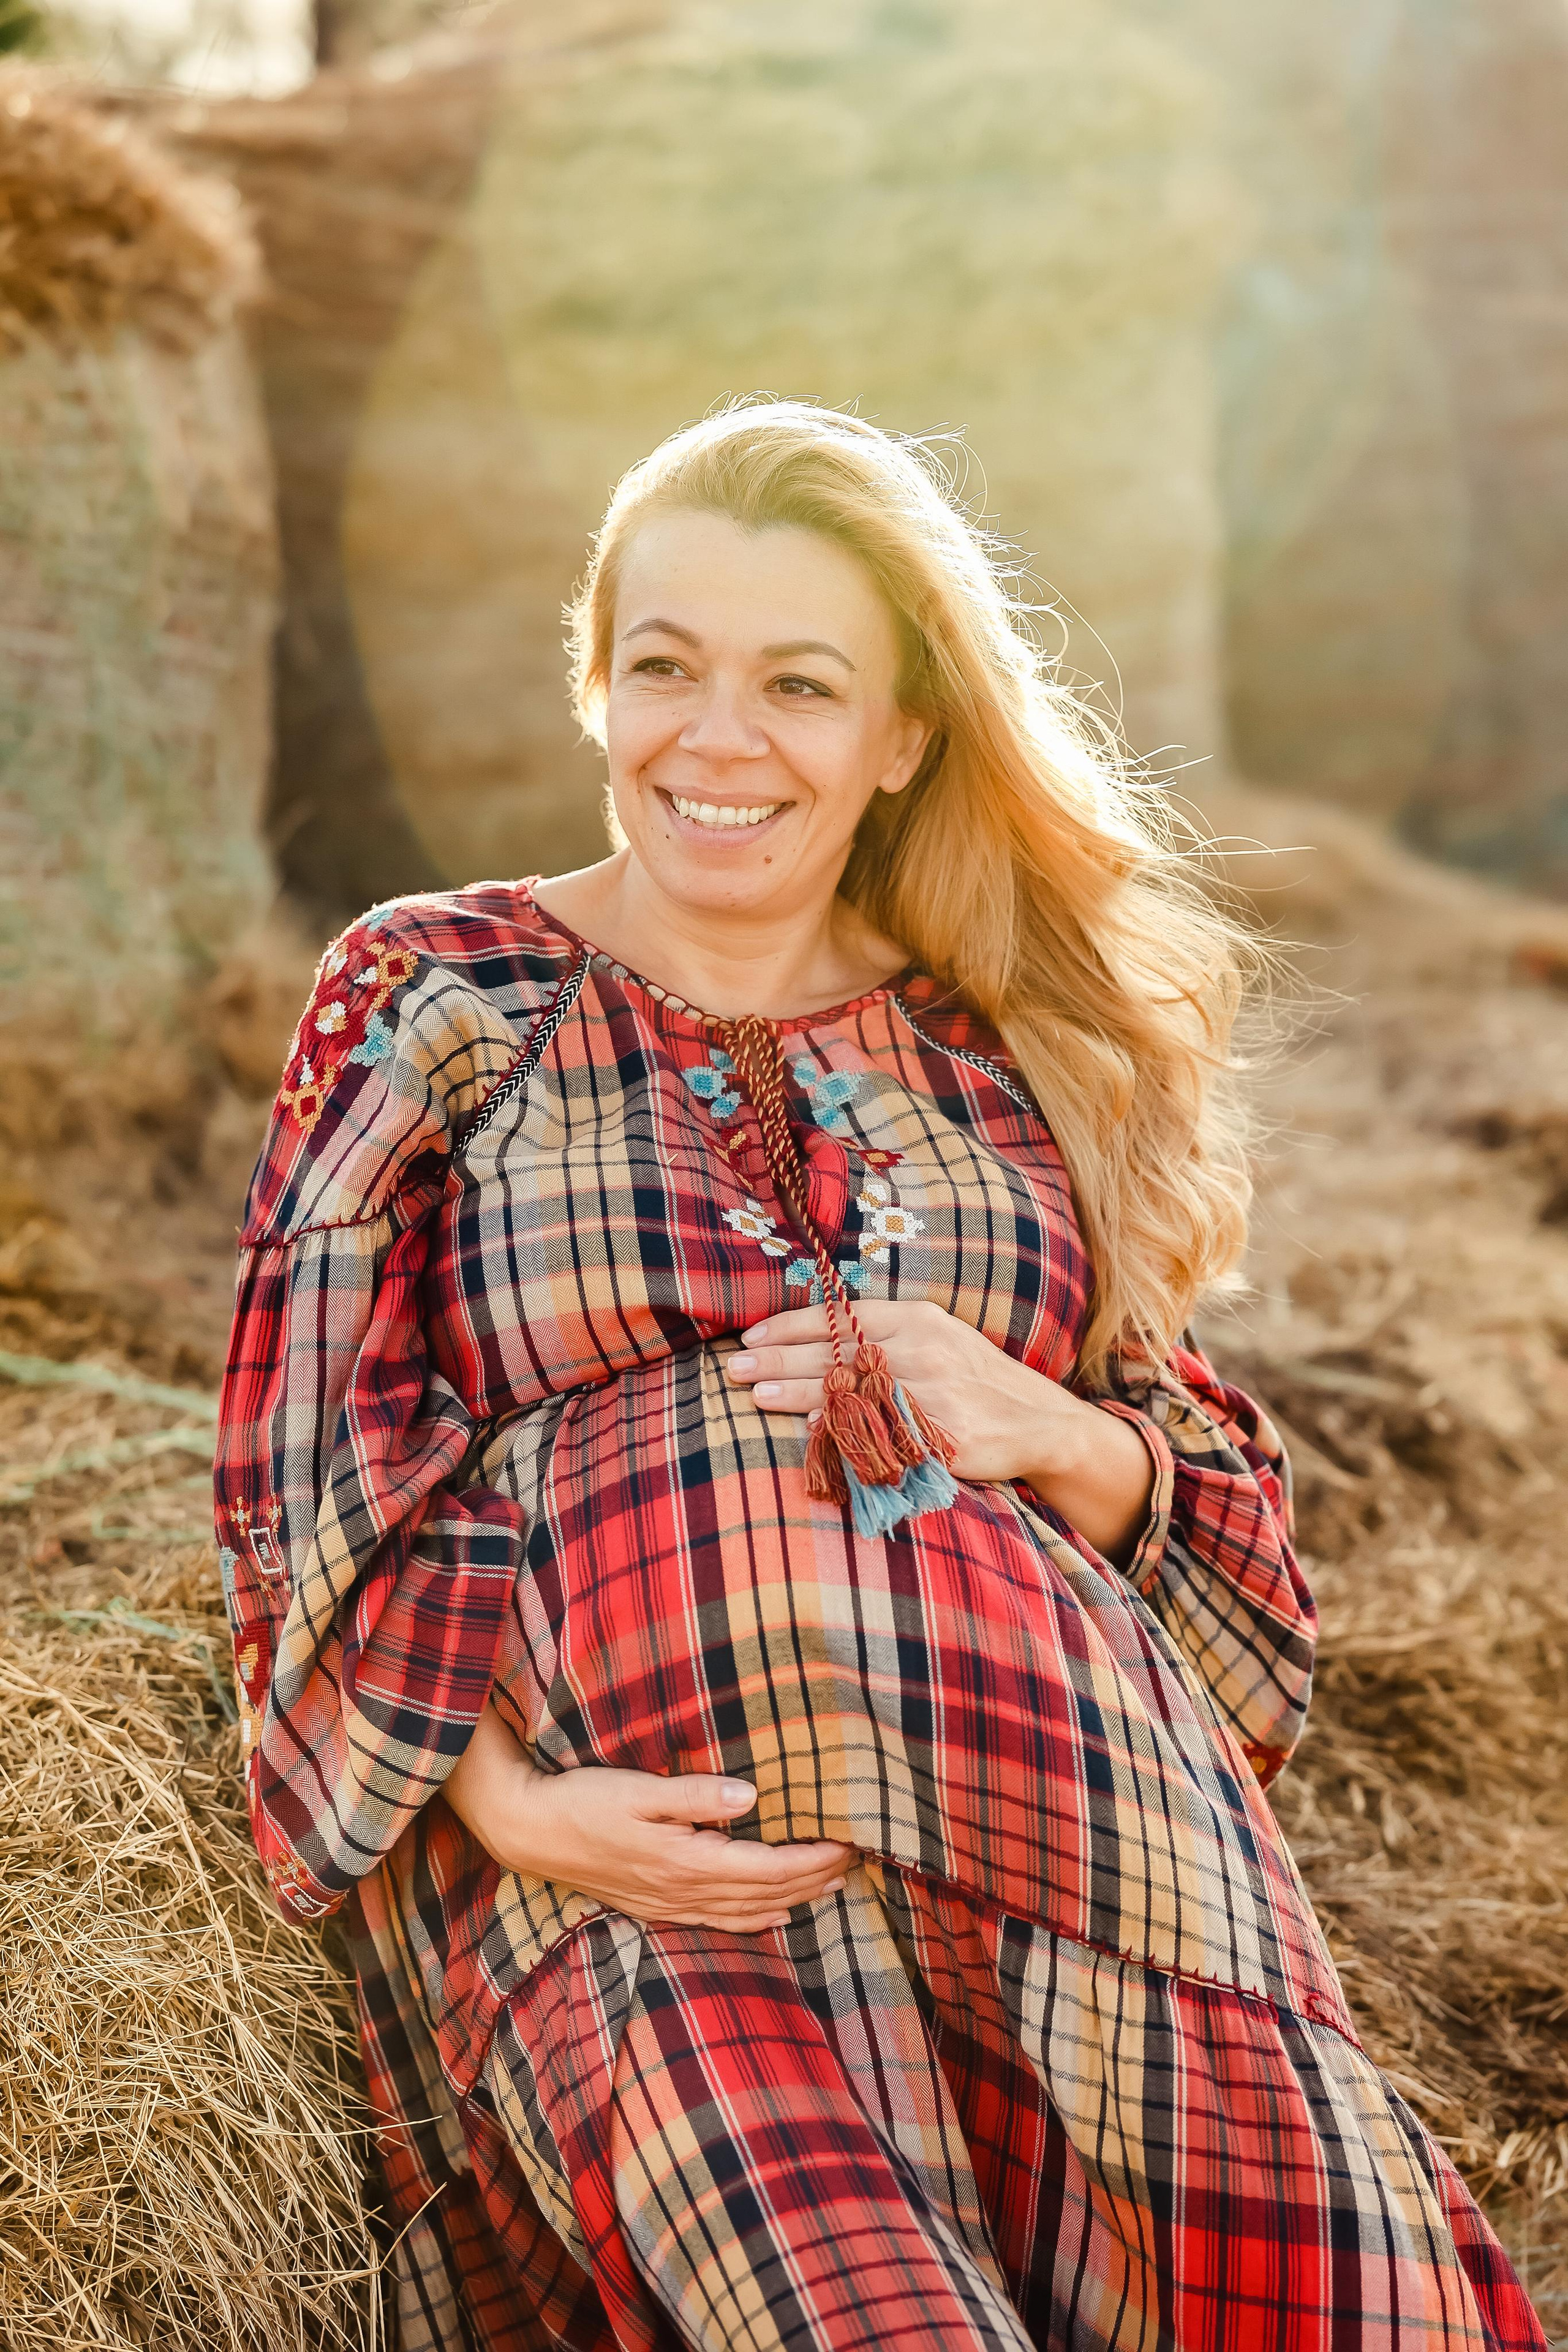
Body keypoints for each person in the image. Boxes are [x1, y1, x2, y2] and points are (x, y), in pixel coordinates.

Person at [215, 400, 1543, 2352]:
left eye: (800, 684)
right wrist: (505, 1807)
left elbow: (1209, 1507)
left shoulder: (1006, 1039)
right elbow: (292, 1465)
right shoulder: (433, 995)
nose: (718, 737)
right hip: (654, 1886)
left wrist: (1054, 1428)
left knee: (1348, 2306)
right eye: (665, 666)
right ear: (595, 686)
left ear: (903, 736)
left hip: (1090, 1841)